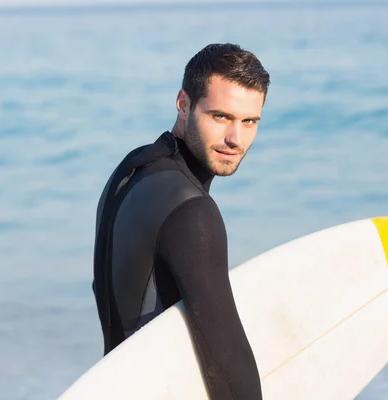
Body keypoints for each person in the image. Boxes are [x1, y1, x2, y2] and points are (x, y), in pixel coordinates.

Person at [91, 43, 270, 400]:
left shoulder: (130, 171)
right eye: (221, 116)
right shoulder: (192, 213)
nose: (236, 139)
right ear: (184, 104)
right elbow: (229, 362)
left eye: (249, 121)